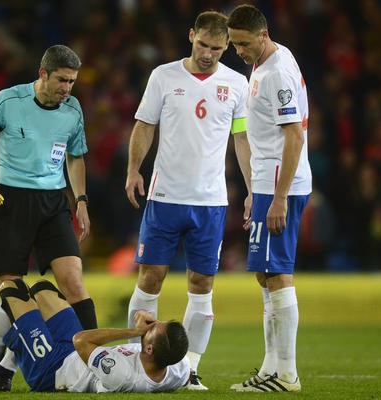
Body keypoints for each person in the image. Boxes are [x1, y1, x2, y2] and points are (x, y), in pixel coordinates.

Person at [124, 11, 250, 390]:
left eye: (216, 47)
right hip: (164, 197)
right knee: (151, 277)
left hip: (210, 203)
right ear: (191, 35)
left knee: (202, 283)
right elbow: (144, 126)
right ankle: (136, 360)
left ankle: (189, 370)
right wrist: (133, 170)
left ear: (226, 45)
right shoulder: (163, 76)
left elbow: (241, 139)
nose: (208, 54)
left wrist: (250, 191)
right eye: (202, 45)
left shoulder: (237, 83)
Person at [0, 44, 97, 391]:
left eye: (72, 82)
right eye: (62, 80)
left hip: (53, 203)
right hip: (12, 198)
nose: (68, 88)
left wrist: (80, 199)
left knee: (73, 280)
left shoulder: (73, 109)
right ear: (43, 74)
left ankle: (93, 362)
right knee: (10, 289)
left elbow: (76, 157)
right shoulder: (8, 101)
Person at [226, 4, 312, 392]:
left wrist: (277, 198)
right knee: (265, 274)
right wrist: (255, 191)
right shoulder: (268, 62)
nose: (238, 51)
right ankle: (270, 368)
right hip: (267, 185)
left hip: (281, 187)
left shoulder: (276, 72)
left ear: (263, 35)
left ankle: (287, 374)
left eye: (243, 43)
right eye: (234, 44)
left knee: (276, 273)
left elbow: (294, 135)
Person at [0, 279, 190, 393]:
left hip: (52, 371)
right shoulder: (176, 368)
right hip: (73, 355)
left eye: (153, 329)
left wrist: (132, 331)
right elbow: (186, 372)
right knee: (43, 290)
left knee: (8, 291)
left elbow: (82, 340)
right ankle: (3, 374)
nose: (150, 325)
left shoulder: (123, 376)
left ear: (149, 350)